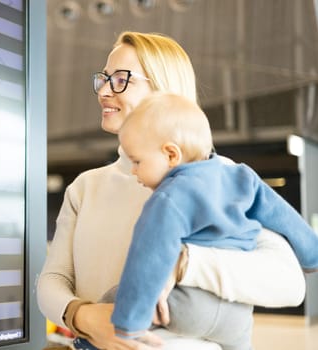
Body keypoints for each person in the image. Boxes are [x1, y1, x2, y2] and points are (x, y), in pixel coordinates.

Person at [37, 31, 306, 350]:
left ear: (164, 89)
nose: (105, 91)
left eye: (121, 79)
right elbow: (52, 281)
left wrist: (181, 263)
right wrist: (84, 317)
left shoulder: (220, 177)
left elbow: (289, 284)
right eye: (104, 78)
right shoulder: (85, 187)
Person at [108, 91, 318, 348]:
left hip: (188, 307)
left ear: (171, 154)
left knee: (112, 298)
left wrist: (129, 324)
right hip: (238, 314)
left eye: (137, 161)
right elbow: (284, 217)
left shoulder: (168, 198)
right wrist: (311, 254)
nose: (133, 170)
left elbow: (148, 255)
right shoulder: (240, 175)